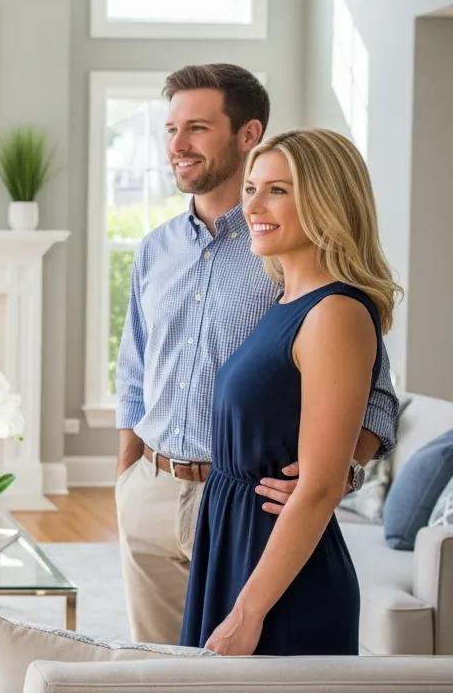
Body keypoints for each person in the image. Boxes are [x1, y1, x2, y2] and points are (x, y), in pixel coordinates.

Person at [114, 64, 398, 645]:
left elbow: (373, 391)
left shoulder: (289, 254)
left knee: (234, 660)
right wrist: (128, 480)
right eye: (170, 129)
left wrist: (333, 476)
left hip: (249, 503)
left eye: (196, 128)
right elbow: (135, 370)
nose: (178, 145)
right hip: (154, 489)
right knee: (156, 675)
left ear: (247, 134)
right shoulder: (156, 249)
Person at [181, 128, 400, 654]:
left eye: (278, 190)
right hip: (235, 542)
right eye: (252, 188)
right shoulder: (285, 300)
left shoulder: (336, 314)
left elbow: (321, 487)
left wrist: (248, 611)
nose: (253, 204)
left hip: (279, 572)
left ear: (328, 203)